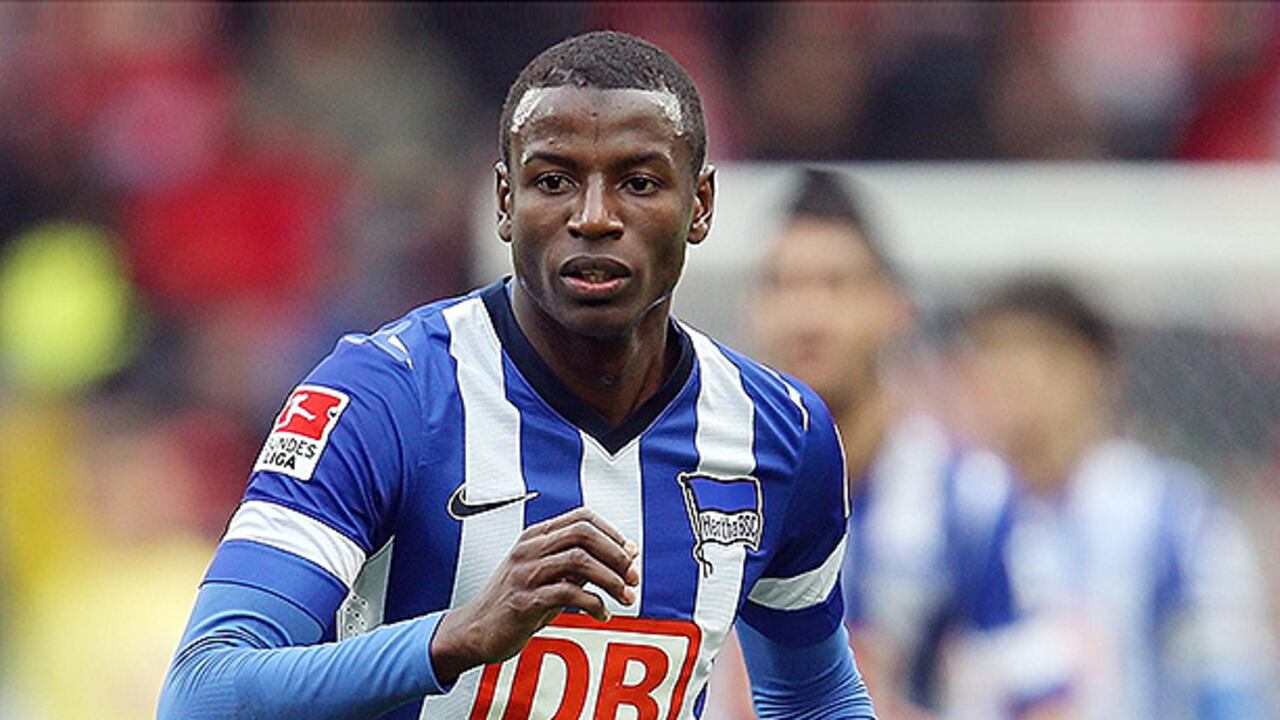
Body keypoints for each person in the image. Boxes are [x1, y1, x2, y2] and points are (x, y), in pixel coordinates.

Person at [158, 32, 875, 720]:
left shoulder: (780, 432)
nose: (594, 217)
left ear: (701, 206)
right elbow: (203, 692)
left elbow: (816, 700)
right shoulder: (385, 397)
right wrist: (454, 636)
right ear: (504, 202)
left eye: (639, 181)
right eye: (554, 180)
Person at [713, 169, 1069, 720]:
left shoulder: (969, 497)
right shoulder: (696, 479)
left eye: (836, 284)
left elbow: (1043, 704)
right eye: (783, 285)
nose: (808, 316)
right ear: (752, 310)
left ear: (896, 308)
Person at [959, 278, 1276, 719]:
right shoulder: (956, 508)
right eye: (992, 354)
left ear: (1097, 369)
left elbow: (1230, 683)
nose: (1012, 376)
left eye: (1039, 355)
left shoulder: (1176, 516)